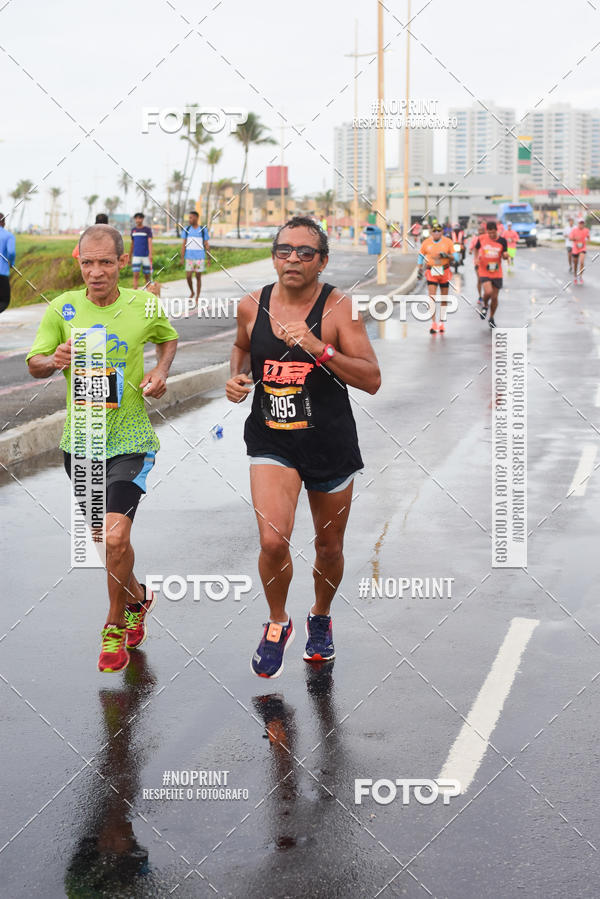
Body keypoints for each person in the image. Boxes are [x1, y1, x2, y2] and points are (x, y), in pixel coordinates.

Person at [225, 216, 381, 678]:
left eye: (305, 252)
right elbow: (240, 347)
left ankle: (320, 615)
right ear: (273, 256)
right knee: (273, 540)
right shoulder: (252, 305)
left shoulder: (339, 309)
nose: (293, 258)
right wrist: (237, 379)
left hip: (330, 444)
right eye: (284, 250)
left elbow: (371, 379)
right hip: (272, 439)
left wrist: (320, 348)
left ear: (322, 261)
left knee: (328, 548)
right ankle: (277, 621)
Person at [26, 224, 178, 673]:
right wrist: (54, 360)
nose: (96, 272)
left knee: (115, 536)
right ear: (79, 261)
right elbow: (34, 363)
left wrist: (160, 371)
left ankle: (113, 626)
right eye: (88, 263)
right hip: (83, 440)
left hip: (130, 436)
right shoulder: (62, 308)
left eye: (105, 263)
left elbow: (168, 338)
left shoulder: (143, 305)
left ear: (121, 262)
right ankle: (138, 599)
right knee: (104, 542)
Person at [418, 224, 458, 334]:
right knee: (432, 298)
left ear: (442, 232)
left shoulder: (448, 242)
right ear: (431, 232)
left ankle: (442, 323)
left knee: (444, 298)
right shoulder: (426, 242)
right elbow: (421, 255)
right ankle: (433, 324)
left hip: (444, 271)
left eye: (438, 231)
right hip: (431, 271)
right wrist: (419, 267)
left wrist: (446, 255)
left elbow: (456, 257)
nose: (436, 233)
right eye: (434, 231)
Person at [473, 221, 508, 329]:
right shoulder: (482, 238)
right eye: (489, 233)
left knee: (495, 297)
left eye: (493, 233)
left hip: (497, 272)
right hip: (484, 270)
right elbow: (475, 248)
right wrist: (476, 259)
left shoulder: (502, 241)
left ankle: (492, 317)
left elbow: (504, 255)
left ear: (496, 230)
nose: (491, 235)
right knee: (488, 291)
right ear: (487, 231)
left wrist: (506, 256)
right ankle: (484, 305)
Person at [181, 210, 209, 302]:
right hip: (189, 257)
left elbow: (206, 244)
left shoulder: (203, 229)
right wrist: (182, 258)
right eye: (189, 217)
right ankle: (192, 291)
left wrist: (209, 258)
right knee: (188, 276)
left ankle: (197, 296)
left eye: (191, 217)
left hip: (199, 257)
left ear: (197, 218)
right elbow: (183, 244)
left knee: (198, 276)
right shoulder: (187, 229)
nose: (190, 219)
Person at [129, 213, 153, 289]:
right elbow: (132, 244)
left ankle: (148, 294)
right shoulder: (133, 230)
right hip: (136, 256)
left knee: (147, 276)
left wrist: (150, 254)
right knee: (135, 275)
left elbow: (150, 243)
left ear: (142, 219)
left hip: (145, 256)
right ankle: (135, 292)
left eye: (140, 218)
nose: (138, 220)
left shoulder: (147, 230)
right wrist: (129, 256)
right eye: (136, 218)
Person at [0, 213, 16, 314]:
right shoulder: (8, 236)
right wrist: (12, 263)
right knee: (4, 300)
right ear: (3, 222)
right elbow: (11, 252)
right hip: (2, 273)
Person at [469, 222, 487, 305]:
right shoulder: (475, 239)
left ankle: (486, 295)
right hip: (478, 263)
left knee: (487, 281)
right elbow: (471, 247)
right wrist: (470, 250)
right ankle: (480, 296)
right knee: (480, 280)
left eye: (482, 230)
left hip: (487, 263)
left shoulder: (488, 239)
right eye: (479, 230)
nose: (480, 232)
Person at [570, 217, 589, 285]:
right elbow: (570, 238)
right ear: (578, 224)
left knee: (581, 262)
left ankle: (580, 276)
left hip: (582, 248)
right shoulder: (574, 230)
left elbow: (588, 236)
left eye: (582, 223)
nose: (581, 224)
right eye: (580, 223)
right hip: (575, 248)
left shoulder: (586, 230)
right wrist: (575, 238)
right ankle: (575, 275)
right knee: (575, 263)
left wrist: (588, 239)